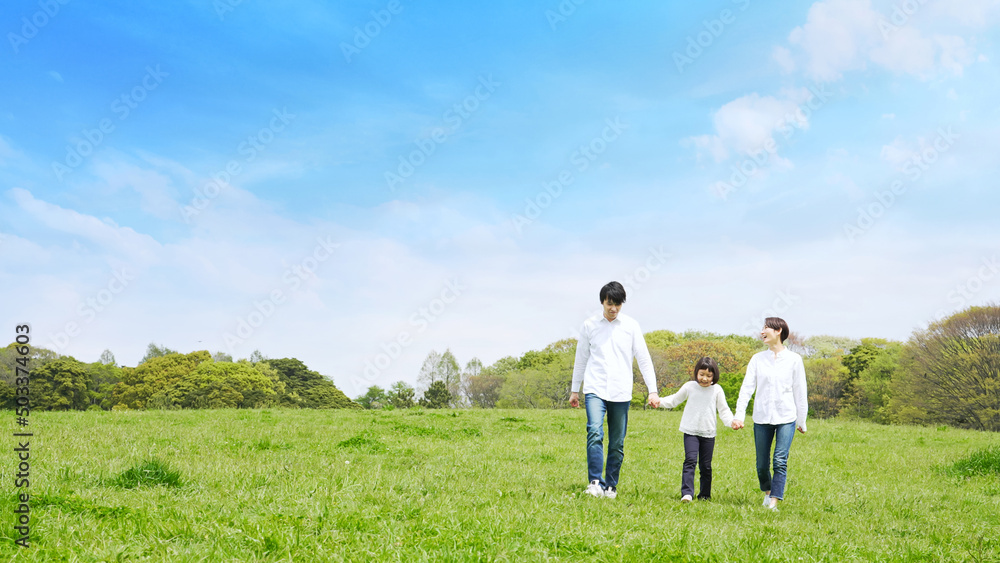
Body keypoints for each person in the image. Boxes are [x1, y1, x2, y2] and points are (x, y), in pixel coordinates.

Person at [569, 281, 659, 499]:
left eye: (618, 304)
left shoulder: (631, 326)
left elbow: (644, 359)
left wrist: (652, 390)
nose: (613, 309)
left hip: (620, 390)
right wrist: (575, 390)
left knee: (617, 442)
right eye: (610, 304)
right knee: (594, 432)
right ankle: (594, 482)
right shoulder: (590, 325)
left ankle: (610, 485)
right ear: (602, 302)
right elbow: (581, 358)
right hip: (595, 387)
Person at [731, 317, 808, 512]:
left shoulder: (794, 360)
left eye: (766, 328)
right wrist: (739, 415)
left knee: (780, 460)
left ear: (778, 331)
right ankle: (767, 491)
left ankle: (774, 502)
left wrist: (802, 420)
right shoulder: (757, 359)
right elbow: (746, 388)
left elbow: (800, 390)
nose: (762, 332)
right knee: (762, 464)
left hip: (786, 417)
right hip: (762, 417)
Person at [658, 356, 734, 502]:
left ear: (714, 376)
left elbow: (724, 410)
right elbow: (674, 400)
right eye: (702, 374)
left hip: (708, 433)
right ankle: (687, 493)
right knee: (690, 461)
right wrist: (658, 401)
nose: (704, 378)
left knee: (706, 466)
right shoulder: (689, 387)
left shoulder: (716, 390)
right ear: (696, 373)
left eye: (709, 375)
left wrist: (732, 422)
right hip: (691, 431)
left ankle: (705, 495)